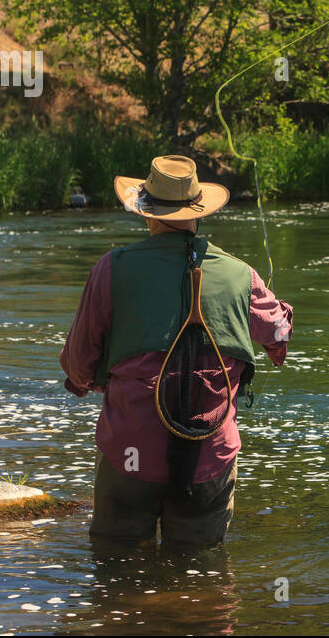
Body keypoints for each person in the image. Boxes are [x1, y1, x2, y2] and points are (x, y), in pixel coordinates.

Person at [60, 155, 292, 549]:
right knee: (201, 574)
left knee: (116, 569)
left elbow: (78, 364)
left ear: (145, 210)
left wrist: (89, 383)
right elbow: (278, 334)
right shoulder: (241, 273)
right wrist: (277, 318)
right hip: (209, 458)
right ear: (198, 211)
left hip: (130, 456)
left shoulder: (111, 268)